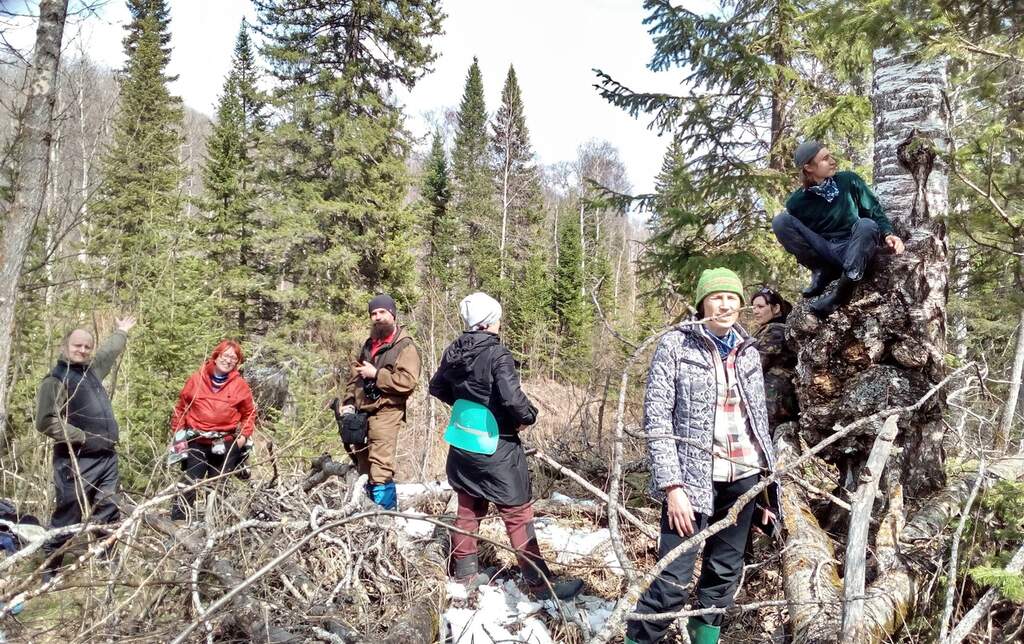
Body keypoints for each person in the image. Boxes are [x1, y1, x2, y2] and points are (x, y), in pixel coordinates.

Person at [626, 269, 777, 644]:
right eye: (716, 297)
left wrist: (765, 491)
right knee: (672, 579)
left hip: (743, 477)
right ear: (702, 304)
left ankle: (703, 638)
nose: (725, 305)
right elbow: (657, 418)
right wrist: (672, 487)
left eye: (732, 297)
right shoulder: (676, 345)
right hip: (691, 481)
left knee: (724, 574)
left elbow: (757, 420)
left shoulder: (748, 351)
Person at [428, 292, 584, 601]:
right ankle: (541, 586)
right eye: (498, 317)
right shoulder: (497, 354)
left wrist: (470, 409)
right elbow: (513, 400)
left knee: (468, 510)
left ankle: (466, 573)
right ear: (487, 323)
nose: (501, 322)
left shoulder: (453, 351)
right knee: (518, 514)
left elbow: (437, 387)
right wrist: (525, 418)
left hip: (462, 444)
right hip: (497, 448)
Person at [35, 316, 136, 581]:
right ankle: (51, 567)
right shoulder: (56, 379)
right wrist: (81, 436)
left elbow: (108, 353)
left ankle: (105, 559)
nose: (82, 350)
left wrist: (121, 332)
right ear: (65, 345)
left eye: (86, 347)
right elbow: (45, 421)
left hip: (106, 458)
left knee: (108, 508)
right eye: (77, 345)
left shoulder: (90, 371)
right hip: (76, 459)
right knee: (68, 513)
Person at [772, 141, 905, 317]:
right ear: (809, 167)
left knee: (866, 224)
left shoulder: (849, 180)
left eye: (830, 156)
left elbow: (873, 211)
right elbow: (801, 238)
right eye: (825, 159)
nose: (833, 161)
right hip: (827, 250)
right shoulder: (796, 203)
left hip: (855, 248)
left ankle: (842, 292)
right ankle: (821, 272)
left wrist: (889, 234)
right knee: (780, 221)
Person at [338, 294, 420, 510]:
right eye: (374, 313)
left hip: (387, 411)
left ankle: (385, 518)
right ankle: (365, 514)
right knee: (362, 463)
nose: (377, 317)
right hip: (361, 412)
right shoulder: (369, 345)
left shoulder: (404, 346)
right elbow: (355, 377)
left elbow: (408, 382)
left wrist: (377, 374)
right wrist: (348, 401)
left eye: (382, 312)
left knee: (380, 466)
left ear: (392, 314)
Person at [169, 340, 256, 521]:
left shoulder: (240, 385)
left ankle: (215, 526)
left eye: (234, 358)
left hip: (225, 443)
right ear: (216, 357)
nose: (229, 360)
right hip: (196, 441)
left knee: (218, 487)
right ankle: (177, 523)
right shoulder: (197, 379)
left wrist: (243, 437)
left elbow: (249, 413)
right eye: (226, 355)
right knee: (189, 483)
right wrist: (178, 435)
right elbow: (181, 408)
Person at [750, 287, 798, 428]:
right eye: (753, 307)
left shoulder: (776, 331)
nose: (755, 311)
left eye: (760, 306)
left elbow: (753, 365)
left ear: (776, 308)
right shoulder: (774, 329)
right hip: (775, 406)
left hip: (773, 407)